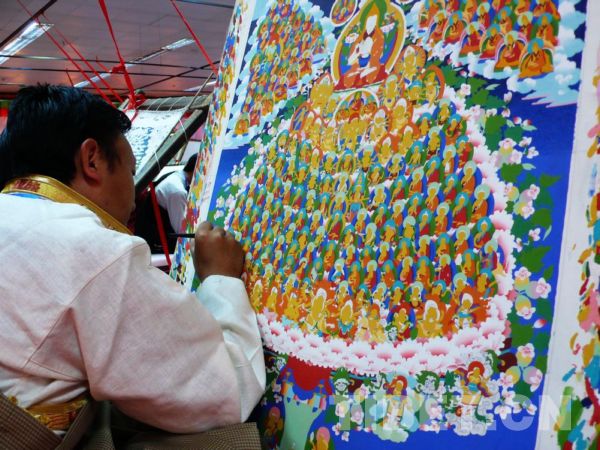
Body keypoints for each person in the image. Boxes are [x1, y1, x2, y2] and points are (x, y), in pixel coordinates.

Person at [0, 85, 265, 446]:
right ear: (92, 160)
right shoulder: (92, 248)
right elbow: (225, 394)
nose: (132, 190)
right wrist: (221, 279)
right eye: (130, 169)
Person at [134, 154, 197, 253]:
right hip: (152, 241)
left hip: (146, 233)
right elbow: (182, 231)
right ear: (196, 170)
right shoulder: (178, 191)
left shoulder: (175, 175)